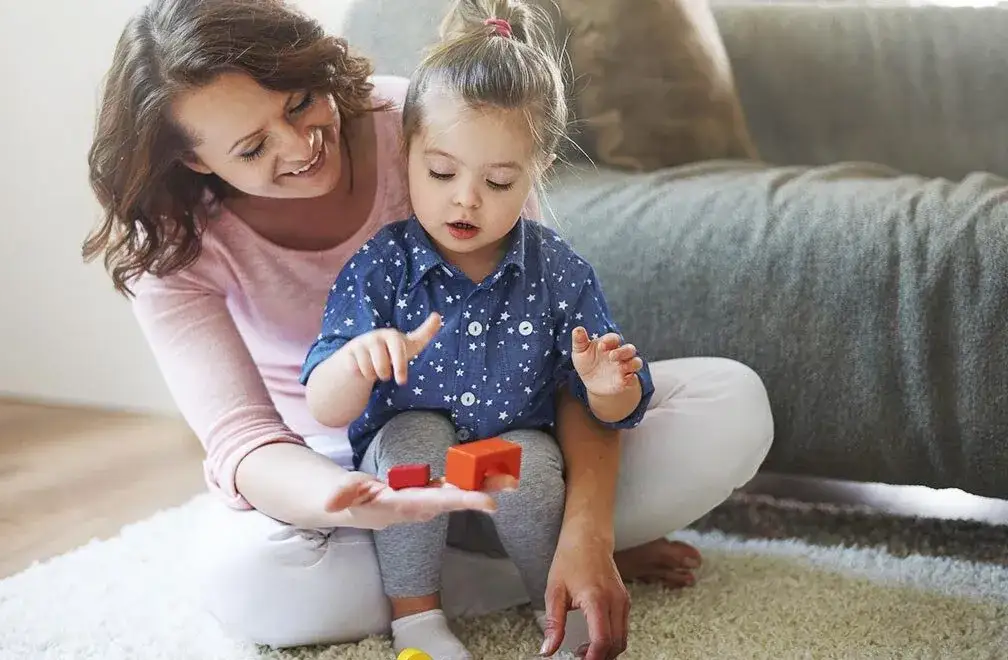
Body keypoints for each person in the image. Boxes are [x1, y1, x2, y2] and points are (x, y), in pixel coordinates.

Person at [83, 0, 775, 658]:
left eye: (299, 102)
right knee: (257, 585)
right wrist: (353, 504)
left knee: (732, 403)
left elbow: (556, 348)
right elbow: (247, 445)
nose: (302, 145)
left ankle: (543, 557)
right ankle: (479, 579)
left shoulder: (431, 124)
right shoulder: (169, 247)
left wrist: (587, 531)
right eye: (254, 144)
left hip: (517, 435)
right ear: (197, 161)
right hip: (340, 457)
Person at [298, 5, 660, 658]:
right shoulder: (384, 264)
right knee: (414, 438)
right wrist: (358, 360)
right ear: (405, 155)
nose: (466, 199)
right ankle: (416, 619)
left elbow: (613, 411)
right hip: (411, 474)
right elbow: (322, 405)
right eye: (442, 174)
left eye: (498, 182)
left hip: (512, 463)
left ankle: (548, 598)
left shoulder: (558, 270)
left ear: (538, 168)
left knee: (536, 462)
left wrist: (608, 387)